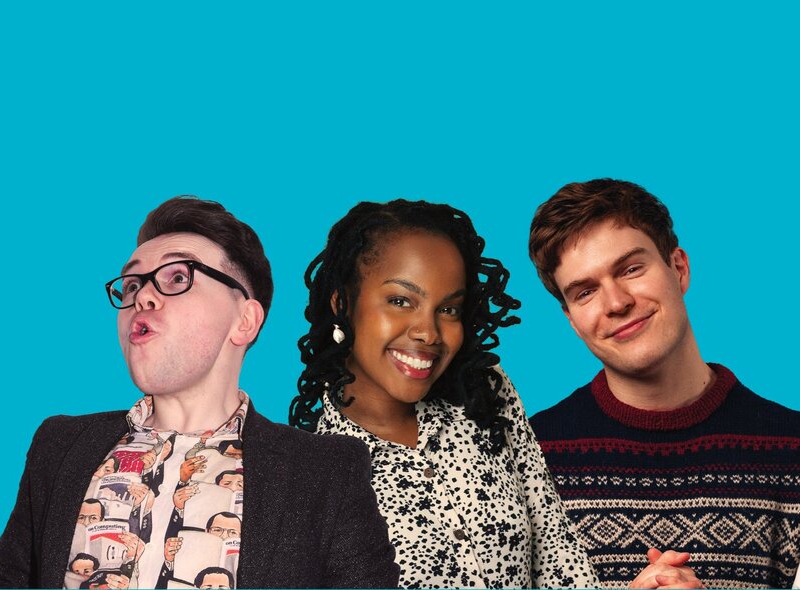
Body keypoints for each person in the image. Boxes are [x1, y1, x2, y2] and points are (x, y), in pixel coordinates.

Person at [0, 196, 398, 588]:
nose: (143, 296)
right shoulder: (59, 446)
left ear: (245, 321)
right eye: (132, 284)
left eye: (178, 277)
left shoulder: (325, 472)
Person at [290, 199, 699, 588]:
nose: (428, 332)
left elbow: (557, 553)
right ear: (342, 303)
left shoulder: (484, 396)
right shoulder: (310, 473)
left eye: (448, 309)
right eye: (400, 301)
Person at [527, 178, 800, 588]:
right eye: (586, 292)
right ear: (572, 320)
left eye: (631, 269)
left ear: (679, 268)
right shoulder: (527, 459)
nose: (617, 303)